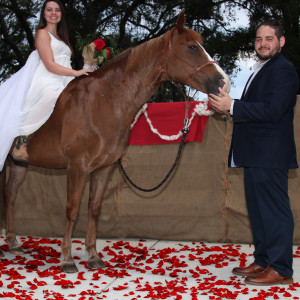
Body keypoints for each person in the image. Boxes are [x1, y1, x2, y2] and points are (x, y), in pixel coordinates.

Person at [208, 20, 299, 286]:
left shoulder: (283, 70)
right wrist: (226, 106)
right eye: (259, 39)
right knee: (259, 212)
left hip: (270, 155)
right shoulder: (262, 69)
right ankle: (263, 260)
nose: (263, 43)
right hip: (255, 153)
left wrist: (233, 105)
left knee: (274, 212)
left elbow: (272, 110)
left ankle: (281, 268)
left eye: (269, 38)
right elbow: (253, 108)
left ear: (281, 42)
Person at [0, 0, 90, 170]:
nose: (53, 13)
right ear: (44, 13)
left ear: (61, 14)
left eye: (57, 10)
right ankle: (22, 141)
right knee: (49, 96)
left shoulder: (62, 38)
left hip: (64, 77)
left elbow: (64, 62)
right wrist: (76, 73)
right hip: (48, 77)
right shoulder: (42, 33)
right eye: (49, 10)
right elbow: (49, 64)